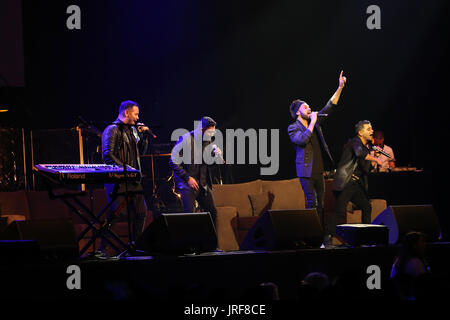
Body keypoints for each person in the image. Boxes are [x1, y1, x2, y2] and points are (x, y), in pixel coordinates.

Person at [287, 71, 347, 234]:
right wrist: (312, 122)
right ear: (298, 112)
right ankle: (310, 235)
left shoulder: (315, 121)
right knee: (311, 203)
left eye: (309, 106)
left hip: (319, 171)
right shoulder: (293, 128)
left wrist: (340, 87)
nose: (310, 108)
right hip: (306, 172)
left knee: (320, 205)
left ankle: (319, 236)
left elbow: (330, 105)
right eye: (305, 107)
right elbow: (301, 140)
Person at [101, 100, 151, 254]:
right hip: (119, 180)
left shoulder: (132, 131)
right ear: (126, 113)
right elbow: (108, 155)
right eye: (135, 114)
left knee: (141, 212)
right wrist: (126, 170)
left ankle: (136, 247)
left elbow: (140, 152)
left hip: (133, 180)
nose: (137, 117)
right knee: (116, 215)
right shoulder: (112, 129)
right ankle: (102, 249)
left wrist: (144, 137)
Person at [331, 120, 383, 236]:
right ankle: (327, 238)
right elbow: (359, 153)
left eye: (372, 128)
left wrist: (375, 160)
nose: (372, 131)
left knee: (366, 206)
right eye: (368, 129)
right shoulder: (354, 142)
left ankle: (366, 236)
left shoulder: (366, 148)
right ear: (360, 132)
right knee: (339, 211)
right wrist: (376, 159)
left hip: (355, 185)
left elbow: (366, 169)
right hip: (345, 183)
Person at [169, 116, 221, 226]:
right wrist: (187, 178)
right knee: (190, 217)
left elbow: (208, 164)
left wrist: (215, 156)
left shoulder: (208, 141)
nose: (213, 134)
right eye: (210, 131)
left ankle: (211, 242)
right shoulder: (185, 139)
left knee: (213, 213)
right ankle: (190, 242)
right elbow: (173, 162)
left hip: (202, 184)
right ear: (202, 129)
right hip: (187, 184)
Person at [391, 231, 431, 300]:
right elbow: (424, 285)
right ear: (414, 245)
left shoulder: (399, 260)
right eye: (422, 241)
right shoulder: (415, 262)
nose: (425, 244)